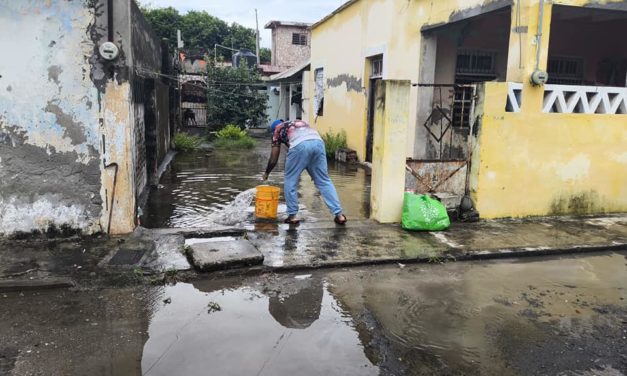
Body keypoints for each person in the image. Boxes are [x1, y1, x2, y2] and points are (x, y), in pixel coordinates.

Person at [262, 119, 347, 225]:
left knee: (290, 180)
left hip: (300, 145)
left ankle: (292, 215)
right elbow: (304, 143)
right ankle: (339, 215)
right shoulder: (299, 122)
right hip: (318, 143)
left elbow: (274, 158)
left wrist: (267, 173)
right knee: (324, 180)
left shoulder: (277, 130)